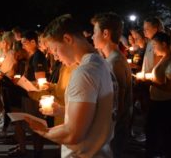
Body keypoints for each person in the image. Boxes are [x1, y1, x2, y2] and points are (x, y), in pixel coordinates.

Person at [25, 14, 115, 158]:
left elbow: (73, 134)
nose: (55, 57)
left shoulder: (83, 72)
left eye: (55, 50)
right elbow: (95, 112)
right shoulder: (101, 63)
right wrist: (61, 110)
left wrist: (43, 131)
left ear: (67, 39)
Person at [91, 12, 132, 158]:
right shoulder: (113, 59)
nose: (92, 36)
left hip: (114, 131)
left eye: (95, 32)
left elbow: (117, 104)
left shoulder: (114, 63)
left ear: (106, 33)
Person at [144, 32, 171, 158]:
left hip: (165, 104)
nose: (153, 48)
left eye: (155, 45)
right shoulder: (163, 58)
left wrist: (151, 83)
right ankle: (154, 153)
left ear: (164, 44)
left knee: (166, 135)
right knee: (153, 132)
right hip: (157, 102)